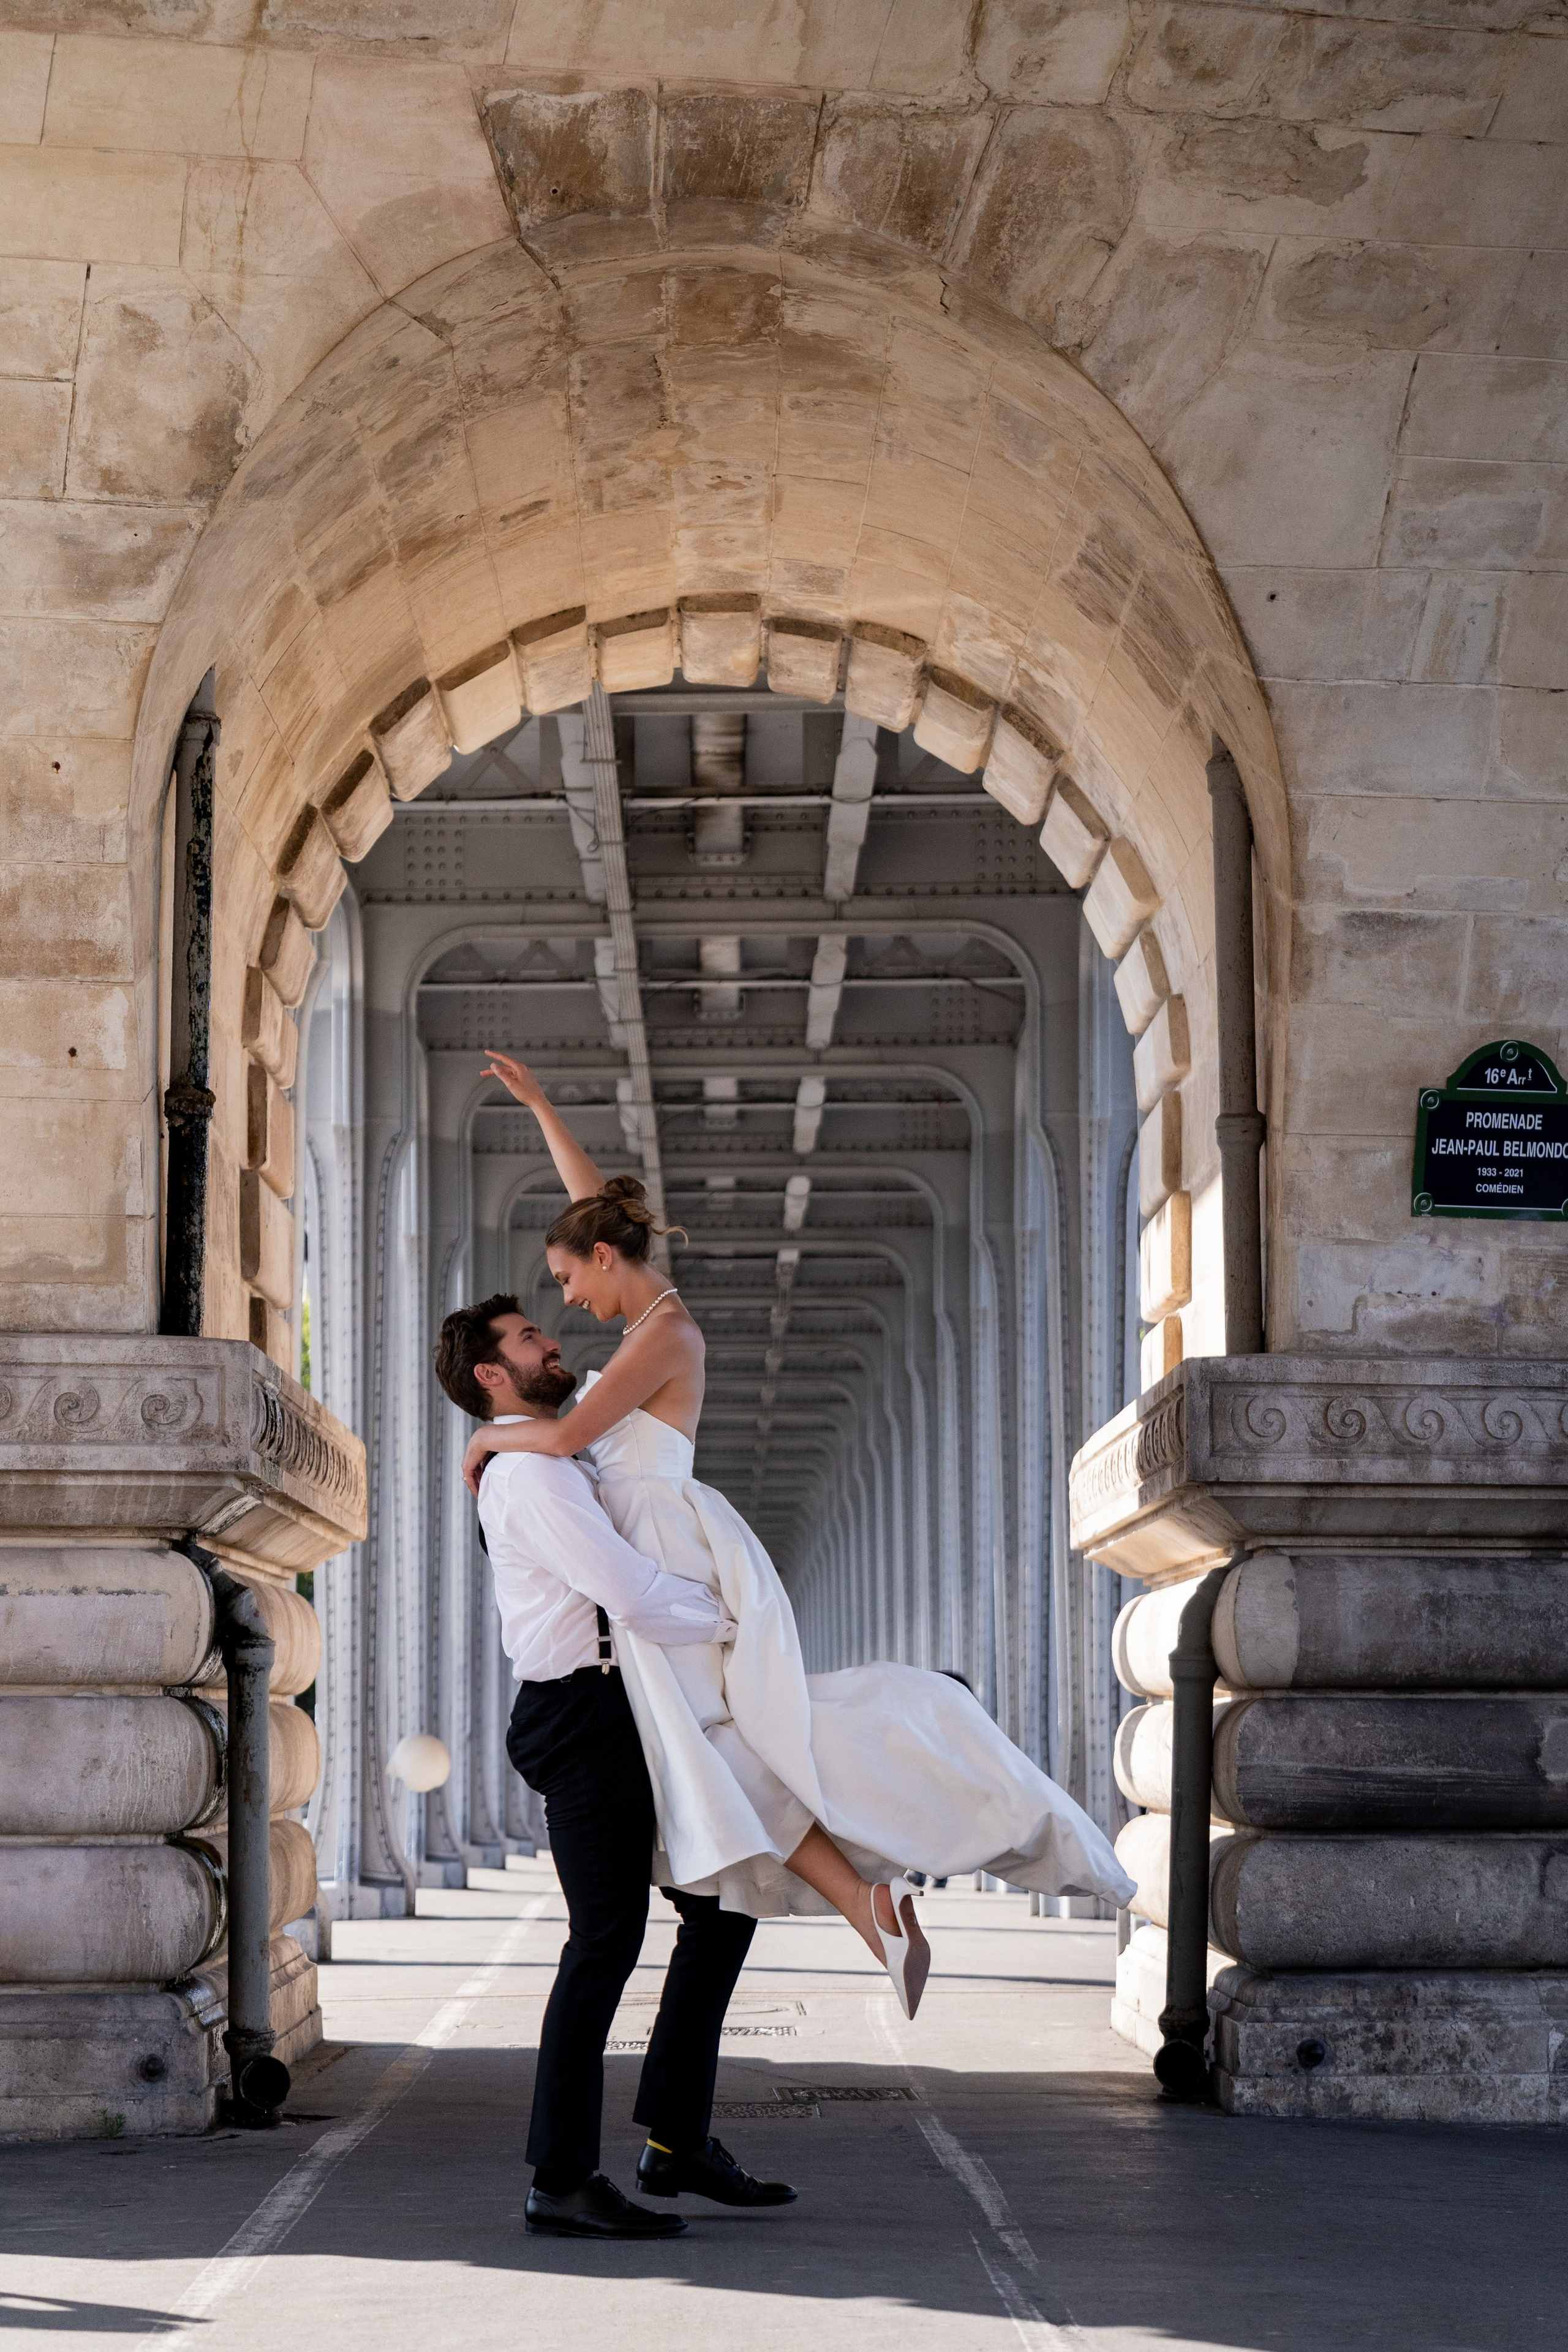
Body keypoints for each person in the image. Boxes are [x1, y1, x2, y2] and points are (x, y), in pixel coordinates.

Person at [460, 1051, 1137, 2022]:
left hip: (666, 1551)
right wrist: (540, 1109)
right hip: (657, 1547)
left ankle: (888, 1861)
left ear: (606, 1261)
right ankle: (870, 1907)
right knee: (729, 1755)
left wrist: (488, 1433)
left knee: (734, 1751)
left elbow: (567, 1435)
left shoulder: (666, 1335)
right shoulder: (642, 1308)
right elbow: (592, 1211)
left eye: (568, 1279)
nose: (565, 1299)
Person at [433, 1297, 799, 2240]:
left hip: (627, 1709)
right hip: (581, 1719)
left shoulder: (547, 1454)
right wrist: (738, 1623)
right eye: (526, 1339)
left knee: (721, 1908)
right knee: (603, 1941)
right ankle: (560, 2177)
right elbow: (628, 1590)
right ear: (489, 1375)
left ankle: (676, 2143)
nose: (551, 1341)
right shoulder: (528, 1477)